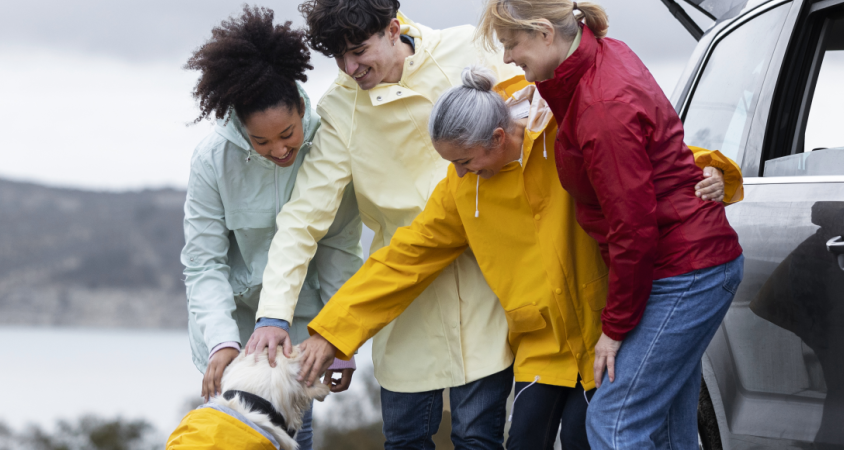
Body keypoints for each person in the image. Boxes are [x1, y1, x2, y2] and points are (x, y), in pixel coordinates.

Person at [295, 66, 742, 450]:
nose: (459, 172)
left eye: (466, 161)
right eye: (452, 163)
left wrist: (713, 168)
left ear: (498, 135)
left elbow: (640, 156)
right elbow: (402, 262)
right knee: (525, 439)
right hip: (540, 349)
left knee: (588, 436)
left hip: (606, 337)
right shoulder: (459, 191)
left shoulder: (561, 135)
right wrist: (332, 333)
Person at [241, 0, 522, 450]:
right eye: (338, 57)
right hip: (402, 298)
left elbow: (532, 123)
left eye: (358, 51)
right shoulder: (338, 110)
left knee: (481, 439)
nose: (350, 69)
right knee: (405, 441)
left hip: (489, 286)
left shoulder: (468, 48)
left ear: (394, 29)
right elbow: (303, 220)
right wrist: (272, 316)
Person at [476, 0, 745, 450]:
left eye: (512, 43)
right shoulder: (598, 56)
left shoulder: (602, 104)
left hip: (684, 270)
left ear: (543, 32)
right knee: (665, 429)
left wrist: (614, 330)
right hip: (685, 263)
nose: (507, 58)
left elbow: (634, 228)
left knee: (615, 424)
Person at [180, 6, 363, 450]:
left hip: (301, 338)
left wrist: (342, 338)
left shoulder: (331, 146)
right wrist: (222, 342)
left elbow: (338, 248)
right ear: (240, 126)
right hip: (236, 339)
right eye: (261, 141)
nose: (279, 149)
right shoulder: (212, 161)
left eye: (288, 133)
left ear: (302, 107)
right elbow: (204, 265)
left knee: (295, 440)